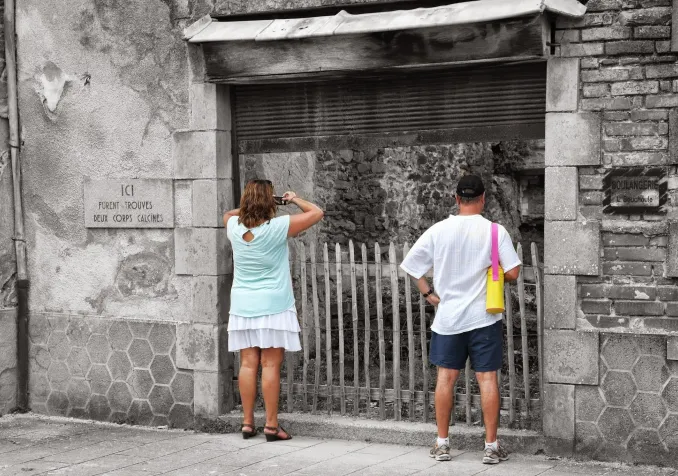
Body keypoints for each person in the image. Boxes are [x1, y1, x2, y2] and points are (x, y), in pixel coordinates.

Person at [400, 174, 521, 465]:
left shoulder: (438, 230)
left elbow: (412, 266)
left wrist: (428, 293)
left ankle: (442, 444)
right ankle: (491, 447)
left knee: (445, 379)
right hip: (484, 318)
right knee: (487, 379)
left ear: (456, 199)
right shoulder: (495, 232)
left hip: (449, 319)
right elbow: (514, 272)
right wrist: (493, 273)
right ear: (483, 199)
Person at [223, 179, 324, 442]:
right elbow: (316, 212)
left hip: (243, 304)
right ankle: (270, 425)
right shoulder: (278, 226)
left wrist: (250, 206)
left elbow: (229, 213)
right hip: (274, 305)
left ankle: (247, 423)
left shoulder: (233, 226)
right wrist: (292, 199)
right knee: (270, 364)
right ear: (271, 201)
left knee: (247, 364)